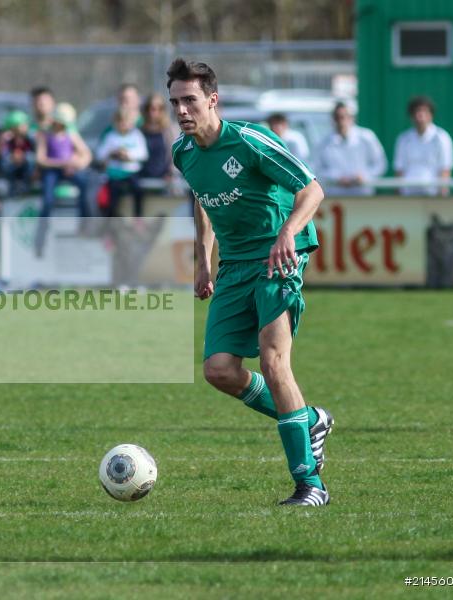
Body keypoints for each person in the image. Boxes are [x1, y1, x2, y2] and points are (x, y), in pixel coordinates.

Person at [168, 57, 333, 507]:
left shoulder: (249, 141)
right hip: (235, 265)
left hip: (280, 257)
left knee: (274, 361)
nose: (182, 110)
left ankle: (310, 484)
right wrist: (204, 258)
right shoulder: (183, 152)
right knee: (219, 370)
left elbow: (312, 189)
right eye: (175, 102)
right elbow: (202, 198)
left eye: (190, 100)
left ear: (212, 100)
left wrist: (287, 234)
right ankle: (309, 419)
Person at [34, 105, 92, 256]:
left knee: (85, 187)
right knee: (47, 201)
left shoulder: (70, 134)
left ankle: (84, 226)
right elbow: (41, 159)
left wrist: (76, 163)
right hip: (52, 170)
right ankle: (40, 238)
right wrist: (61, 163)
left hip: (68, 169)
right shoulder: (45, 135)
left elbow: (86, 153)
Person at [315, 102, 387, 196]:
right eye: (337, 117)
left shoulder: (367, 137)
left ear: (352, 118)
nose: (341, 121)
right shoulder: (323, 143)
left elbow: (380, 164)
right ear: (333, 119)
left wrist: (365, 176)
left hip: (363, 195)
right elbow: (317, 169)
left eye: (344, 117)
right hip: (336, 197)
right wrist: (337, 178)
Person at [393, 96, 453, 196]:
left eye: (424, 111)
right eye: (416, 112)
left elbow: (445, 168)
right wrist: (399, 194)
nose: (420, 115)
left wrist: (442, 195)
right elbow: (399, 169)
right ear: (411, 115)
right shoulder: (403, 139)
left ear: (431, 115)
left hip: (433, 195)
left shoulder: (442, 138)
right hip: (408, 195)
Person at [97, 107, 148, 217]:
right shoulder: (111, 136)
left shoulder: (136, 135)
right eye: (120, 121)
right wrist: (112, 154)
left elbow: (143, 154)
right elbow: (100, 155)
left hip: (131, 171)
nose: (123, 124)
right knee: (113, 197)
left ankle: (137, 217)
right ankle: (112, 220)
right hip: (115, 173)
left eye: (125, 121)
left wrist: (128, 155)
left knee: (138, 191)